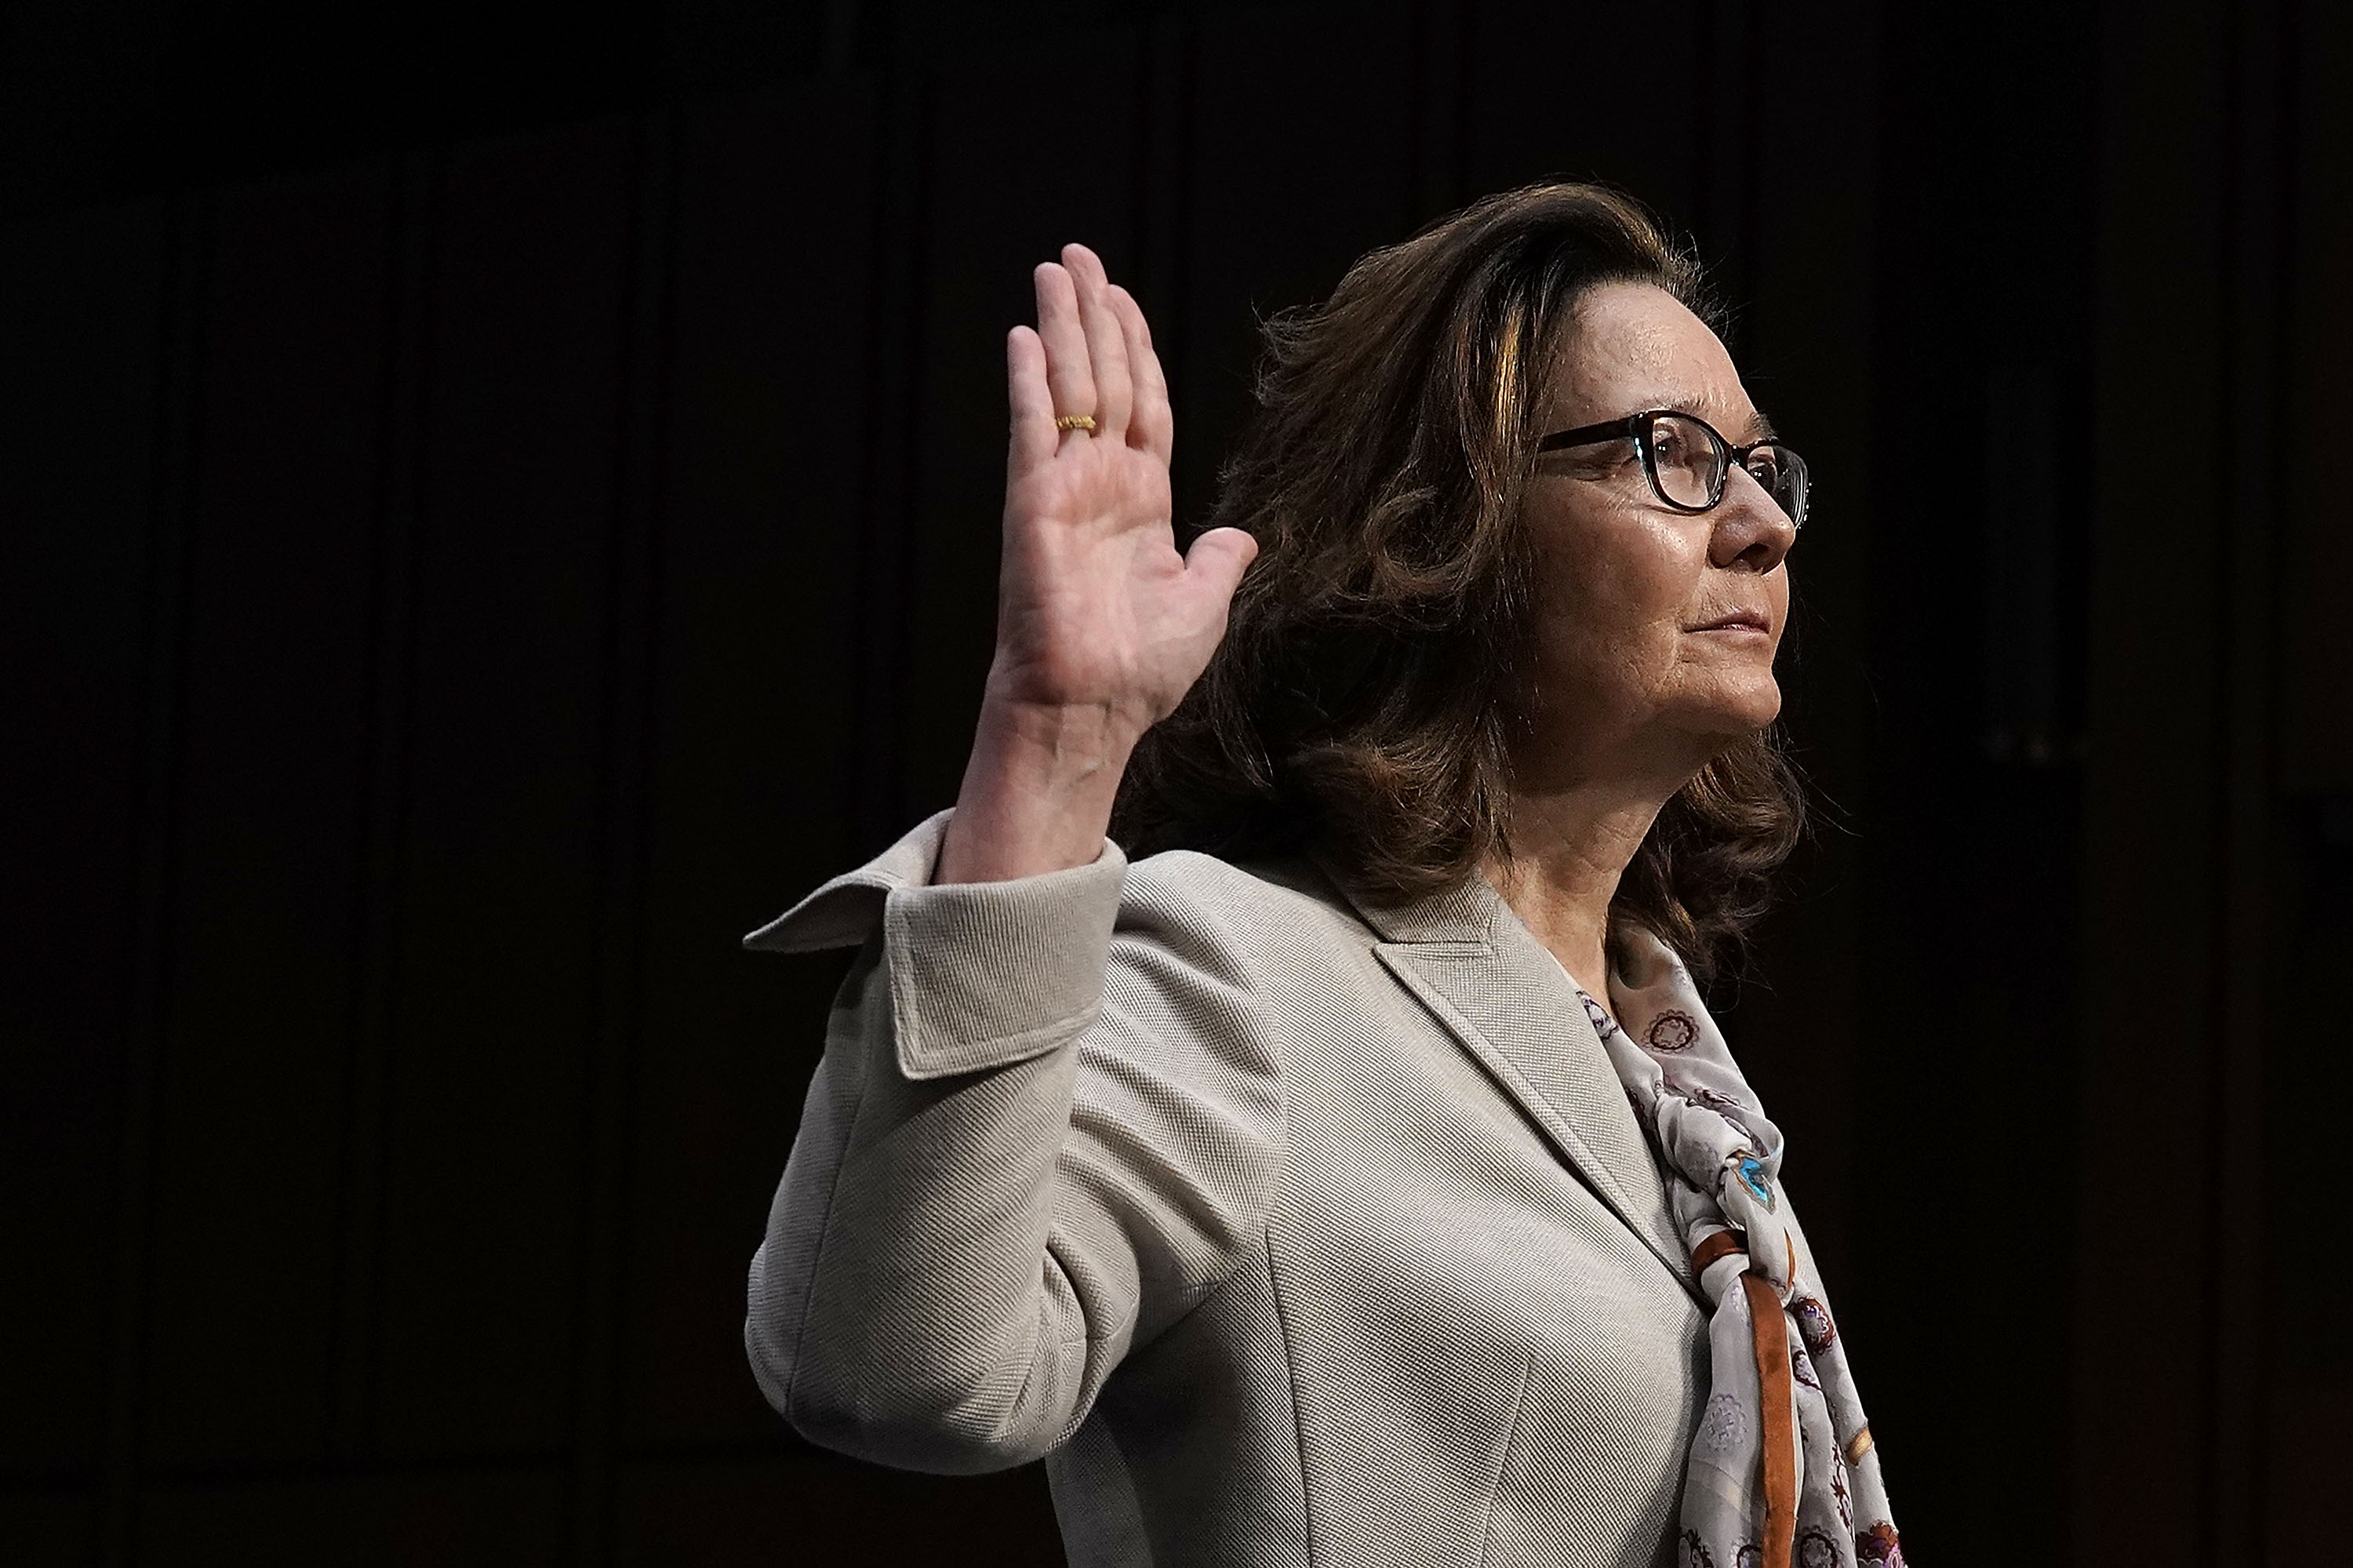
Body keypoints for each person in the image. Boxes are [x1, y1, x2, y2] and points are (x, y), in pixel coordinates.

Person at [743, 184, 1900, 1568]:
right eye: (1673, 454)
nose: (1763, 524)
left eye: (1766, 467)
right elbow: (896, 1368)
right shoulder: (1247, 974)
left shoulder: (1683, 1100)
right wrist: (1051, 749)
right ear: (1449, 522)